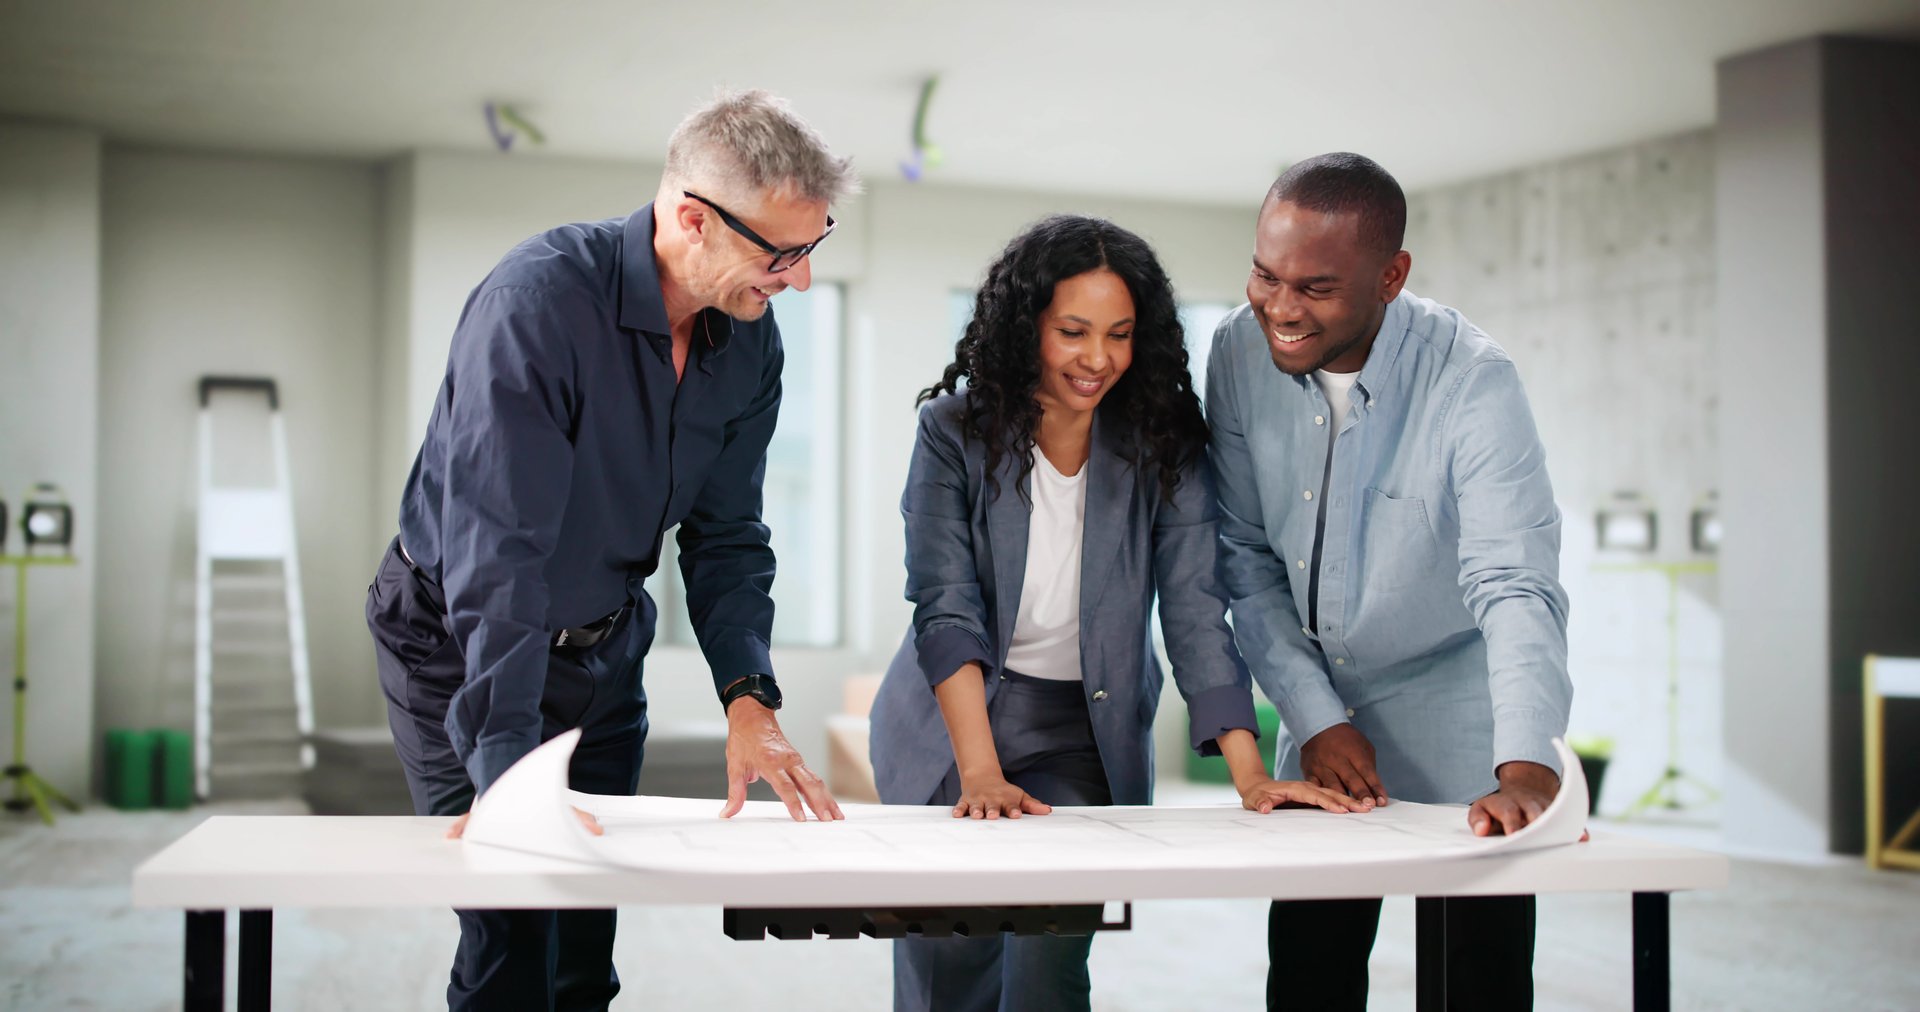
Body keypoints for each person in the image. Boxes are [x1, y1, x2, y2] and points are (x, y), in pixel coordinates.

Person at [364, 89, 853, 1011]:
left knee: (586, 934)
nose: (800, 279)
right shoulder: (538, 303)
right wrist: (507, 768)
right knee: (514, 919)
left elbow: (729, 534)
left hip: (601, 645)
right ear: (691, 219)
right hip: (457, 640)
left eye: (813, 245)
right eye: (781, 253)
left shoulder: (748, 341)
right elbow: (497, 555)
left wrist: (749, 700)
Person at [869, 214, 1364, 1012]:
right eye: (1072, 331)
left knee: (1049, 969)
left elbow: (1198, 608)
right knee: (949, 967)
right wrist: (981, 772)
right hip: (954, 725)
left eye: (1120, 334)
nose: (1097, 359)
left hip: (1083, 730)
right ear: (1025, 325)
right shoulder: (952, 431)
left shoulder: (1161, 441)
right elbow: (946, 605)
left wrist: (1246, 775)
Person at [1204, 152, 1573, 1011]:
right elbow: (1243, 555)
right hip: (1318, 693)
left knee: (1477, 975)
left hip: (1460, 696)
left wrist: (1526, 768)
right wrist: (1316, 715)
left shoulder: (1474, 380)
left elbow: (1514, 580)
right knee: (1309, 969)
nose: (1281, 310)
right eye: (1266, 275)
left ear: (1391, 276)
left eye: (1317, 288)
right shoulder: (1234, 348)